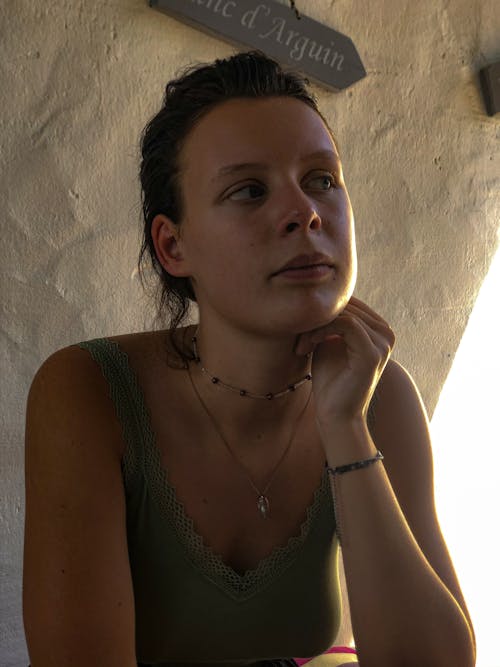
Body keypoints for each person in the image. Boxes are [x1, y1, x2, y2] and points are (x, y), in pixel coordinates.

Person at [23, 51, 476, 667]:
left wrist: (345, 430)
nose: (305, 212)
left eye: (321, 179)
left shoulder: (380, 393)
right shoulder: (87, 391)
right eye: (248, 190)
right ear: (174, 245)